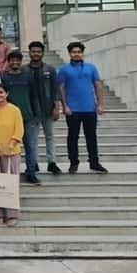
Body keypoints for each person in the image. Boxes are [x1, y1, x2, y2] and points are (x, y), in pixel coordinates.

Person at [59, 41, 108, 174]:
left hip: (89, 108)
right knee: (73, 137)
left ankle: (94, 162)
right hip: (72, 109)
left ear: (82, 53)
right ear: (69, 53)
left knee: (91, 136)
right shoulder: (64, 69)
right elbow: (61, 88)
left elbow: (98, 85)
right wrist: (64, 106)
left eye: (79, 52)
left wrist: (100, 104)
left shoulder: (91, 67)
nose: (77, 54)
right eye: (74, 52)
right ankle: (73, 162)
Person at [1, 51, 41, 185]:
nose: (15, 63)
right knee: (10, 146)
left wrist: (37, 114)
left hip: (28, 116)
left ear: (21, 61)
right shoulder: (4, 77)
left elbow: (34, 96)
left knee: (30, 146)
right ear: (8, 62)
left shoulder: (29, 76)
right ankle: (10, 172)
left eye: (17, 60)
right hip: (9, 119)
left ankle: (31, 172)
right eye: (12, 60)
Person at [0, 83, 24, 226]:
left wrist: (11, 145)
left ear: (7, 94)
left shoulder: (15, 110)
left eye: (1, 92)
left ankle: (11, 214)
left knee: (10, 184)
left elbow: (19, 130)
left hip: (11, 153)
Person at [27, 41, 63, 175]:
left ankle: (52, 162)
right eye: (33, 51)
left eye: (38, 51)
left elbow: (55, 89)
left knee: (50, 136)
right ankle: (33, 162)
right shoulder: (25, 70)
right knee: (32, 138)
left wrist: (56, 107)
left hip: (48, 108)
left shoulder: (50, 69)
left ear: (42, 53)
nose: (36, 53)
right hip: (31, 111)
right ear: (30, 53)